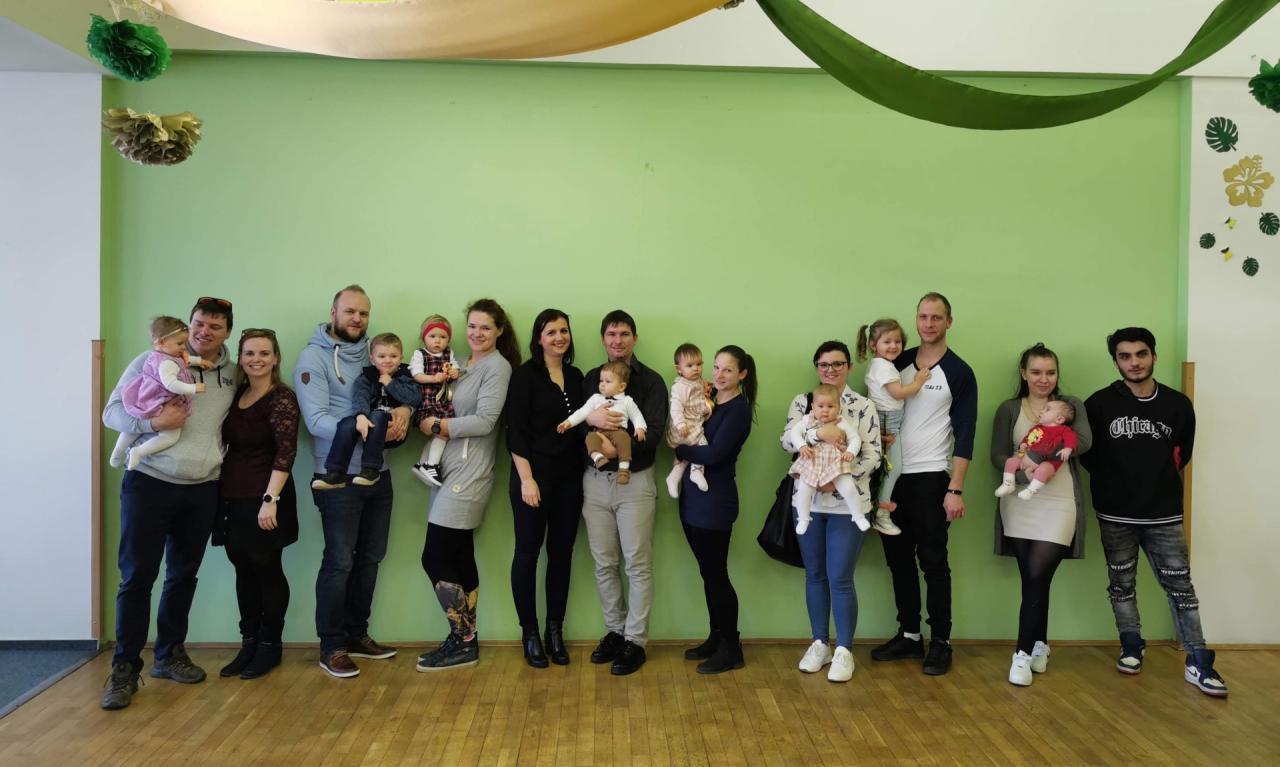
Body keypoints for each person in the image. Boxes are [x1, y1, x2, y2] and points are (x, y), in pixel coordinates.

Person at [100, 297, 237, 710]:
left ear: (227, 332)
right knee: (136, 578)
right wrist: (153, 423)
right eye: (198, 324)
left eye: (215, 326)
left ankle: (169, 655)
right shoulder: (152, 360)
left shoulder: (233, 373)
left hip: (202, 488)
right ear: (188, 325)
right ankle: (124, 669)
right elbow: (111, 413)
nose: (204, 332)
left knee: (182, 576)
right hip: (149, 482)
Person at [1080, 327, 1228, 697]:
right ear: (1116, 361)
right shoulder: (1097, 404)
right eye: (1125, 356)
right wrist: (1116, 485)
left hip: (1164, 514)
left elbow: (1182, 454)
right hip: (1115, 513)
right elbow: (1088, 456)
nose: (1134, 362)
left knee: (1181, 587)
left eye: (1141, 354)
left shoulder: (1178, 405)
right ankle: (1131, 644)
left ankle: (1198, 659)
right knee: (1121, 584)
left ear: (1154, 356)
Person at [296, 285, 411, 679]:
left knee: (371, 558)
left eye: (363, 313)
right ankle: (332, 646)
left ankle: (357, 634)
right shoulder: (313, 357)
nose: (357, 319)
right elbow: (316, 421)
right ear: (334, 312)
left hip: (378, 473)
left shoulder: (375, 351)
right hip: (337, 476)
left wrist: (404, 412)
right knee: (340, 561)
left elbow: (401, 387)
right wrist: (364, 429)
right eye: (350, 311)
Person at [872, 292, 977, 676]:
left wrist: (955, 488)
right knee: (898, 561)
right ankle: (909, 635)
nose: (928, 324)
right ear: (915, 320)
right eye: (923, 317)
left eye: (936, 317)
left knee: (933, 562)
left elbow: (966, 432)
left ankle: (941, 642)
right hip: (892, 478)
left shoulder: (959, 372)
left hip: (932, 478)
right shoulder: (894, 362)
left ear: (949, 321)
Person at [416, 298, 518, 671]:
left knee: (434, 556)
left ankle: (462, 638)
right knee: (459, 556)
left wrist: (437, 426)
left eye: (485, 327)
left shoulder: (498, 367)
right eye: (472, 326)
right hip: (446, 471)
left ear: (499, 331)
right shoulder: (460, 363)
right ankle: (465, 642)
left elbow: (486, 421)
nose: (477, 333)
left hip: (470, 473)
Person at [988, 344, 1091, 687]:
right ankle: (1039, 646)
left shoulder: (1069, 407)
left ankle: (1020, 654)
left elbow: (1085, 442)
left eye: (1050, 372)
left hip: (1059, 502)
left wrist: (1053, 434)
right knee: (1034, 580)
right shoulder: (1009, 409)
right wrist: (1022, 475)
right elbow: (997, 454)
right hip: (1019, 502)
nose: (1043, 379)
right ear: (1024, 373)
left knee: (1036, 574)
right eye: (1036, 372)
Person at [781, 341, 882, 683]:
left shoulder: (863, 406)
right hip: (808, 502)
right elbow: (786, 440)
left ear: (849, 367)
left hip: (847, 504)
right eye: (824, 364)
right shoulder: (803, 402)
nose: (831, 370)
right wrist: (816, 433)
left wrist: (836, 477)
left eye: (838, 364)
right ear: (817, 368)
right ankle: (819, 643)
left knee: (840, 577)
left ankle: (844, 650)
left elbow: (873, 454)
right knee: (815, 574)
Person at [580, 310, 668, 676]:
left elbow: (655, 433)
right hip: (595, 482)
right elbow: (579, 427)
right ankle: (615, 631)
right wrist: (592, 424)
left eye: (624, 334)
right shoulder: (591, 378)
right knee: (604, 563)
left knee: (637, 564)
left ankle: (635, 640)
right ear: (603, 339)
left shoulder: (652, 381)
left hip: (636, 482)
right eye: (611, 334)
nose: (618, 340)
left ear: (634, 338)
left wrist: (615, 449)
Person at [214, 328, 300, 680]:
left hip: (267, 497)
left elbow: (286, 452)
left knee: (266, 568)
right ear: (241, 358)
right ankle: (248, 643)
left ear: (275, 358)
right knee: (242, 569)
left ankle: (269, 646)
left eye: (264, 353)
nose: (256, 359)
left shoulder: (282, 398)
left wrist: (270, 500)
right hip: (232, 496)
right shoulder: (238, 394)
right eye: (249, 353)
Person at [504, 309, 586, 668]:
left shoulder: (576, 376)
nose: (559, 337)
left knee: (562, 554)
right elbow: (516, 432)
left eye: (564, 331)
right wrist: (527, 479)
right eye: (551, 331)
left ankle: (555, 631)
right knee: (527, 553)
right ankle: (530, 633)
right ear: (539, 338)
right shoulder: (524, 376)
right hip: (532, 480)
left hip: (569, 480)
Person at [675, 345, 755, 674]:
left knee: (716, 575)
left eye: (728, 370)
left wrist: (680, 449)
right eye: (717, 367)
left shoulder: (738, 410)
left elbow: (714, 454)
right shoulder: (707, 402)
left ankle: (732, 648)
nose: (719, 375)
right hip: (692, 499)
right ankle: (716, 637)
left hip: (715, 502)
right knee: (707, 573)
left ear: (742, 375)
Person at [311, 332, 421, 490]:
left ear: (401, 358)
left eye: (393, 356)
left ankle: (371, 470)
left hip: (393, 426)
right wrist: (361, 416)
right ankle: (336, 472)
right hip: (369, 422)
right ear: (372, 359)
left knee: (377, 415)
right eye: (382, 356)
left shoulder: (405, 376)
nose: (388, 360)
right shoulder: (367, 377)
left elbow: (415, 398)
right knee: (346, 423)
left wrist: (391, 384)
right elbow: (360, 397)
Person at [857, 317, 933, 535]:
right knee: (894, 467)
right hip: (887, 420)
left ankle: (875, 509)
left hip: (886, 418)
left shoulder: (880, 365)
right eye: (887, 341)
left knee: (884, 466)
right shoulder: (884, 367)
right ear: (874, 345)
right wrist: (919, 381)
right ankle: (881, 512)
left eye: (897, 341)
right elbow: (898, 393)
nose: (893, 346)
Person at [109, 316, 213, 471]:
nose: (184, 347)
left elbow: (186, 360)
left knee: (134, 427)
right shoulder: (167, 363)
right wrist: (193, 388)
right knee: (170, 437)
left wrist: (199, 361)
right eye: (180, 343)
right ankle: (138, 452)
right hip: (160, 402)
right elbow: (171, 384)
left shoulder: (163, 355)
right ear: (163, 342)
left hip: (147, 399)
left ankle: (118, 452)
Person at [788, 383, 868, 534]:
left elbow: (855, 438)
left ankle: (858, 516)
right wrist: (801, 446)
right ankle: (803, 518)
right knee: (804, 489)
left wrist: (851, 451)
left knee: (848, 487)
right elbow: (794, 433)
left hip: (835, 462)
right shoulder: (807, 420)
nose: (825, 410)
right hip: (812, 462)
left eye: (830, 406)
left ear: (838, 407)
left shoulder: (841, 422)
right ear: (813, 406)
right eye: (820, 406)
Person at [558, 361, 648, 483]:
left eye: (608, 381)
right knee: (590, 438)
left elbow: (636, 416)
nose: (602, 385)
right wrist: (568, 422)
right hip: (599, 432)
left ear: (621, 386)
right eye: (601, 381)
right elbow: (582, 412)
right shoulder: (596, 398)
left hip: (618, 431)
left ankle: (623, 469)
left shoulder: (627, 401)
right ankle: (598, 458)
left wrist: (640, 428)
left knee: (625, 439)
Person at [410, 314, 461, 487]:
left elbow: (455, 368)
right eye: (432, 336)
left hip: (444, 402)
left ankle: (426, 464)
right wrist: (434, 378)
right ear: (423, 337)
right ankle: (430, 465)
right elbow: (416, 375)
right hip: (427, 401)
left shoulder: (448, 353)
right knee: (441, 431)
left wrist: (454, 372)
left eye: (443, 337)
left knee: (445, 433)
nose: (437, 341)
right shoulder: (420, 354)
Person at [994, 399, 1077, 502]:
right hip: (1028, 457)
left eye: (1047, 409)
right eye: (1043, 408)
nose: (1041, 411)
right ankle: (1008, 483)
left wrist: (1068, 448)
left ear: (1059, 419)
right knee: (1011, 461)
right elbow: (1028, 438)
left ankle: (1032, 490)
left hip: (1049, 461)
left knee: (1044, 469)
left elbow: (1071, 438)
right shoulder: (1037, 428)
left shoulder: (1063, 429)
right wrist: (1023, 444)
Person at [665, 343, 714, 498]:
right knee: (702, 445)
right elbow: (675, 406)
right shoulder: (680, 386)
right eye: (690, 365)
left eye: (699, 364)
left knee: (687, 456)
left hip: (692, 423)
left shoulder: (697, 381)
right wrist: (680, 423)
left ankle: (674, 476)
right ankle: (696, 471)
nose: (696, 369)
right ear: (679, 369)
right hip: (685, 426)